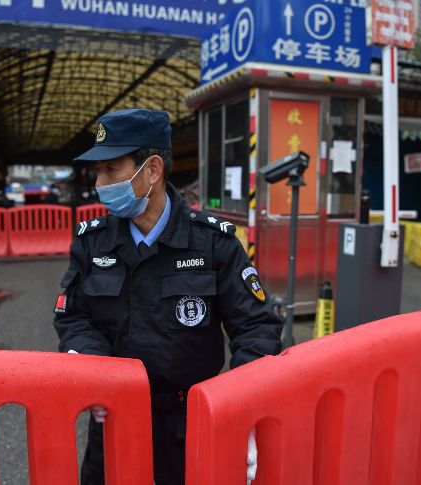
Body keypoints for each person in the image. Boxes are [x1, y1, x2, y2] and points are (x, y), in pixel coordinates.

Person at [52, 108, 283, 485]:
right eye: (97, 172)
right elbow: (74, 316)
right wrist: (90, 365)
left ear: (152, 170)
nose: (100, 183)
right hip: (112, 424)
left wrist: (245, 410)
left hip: (188, 426)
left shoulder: (212, 243)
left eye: (111, 170)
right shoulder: (92, 242)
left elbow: (257, 326)